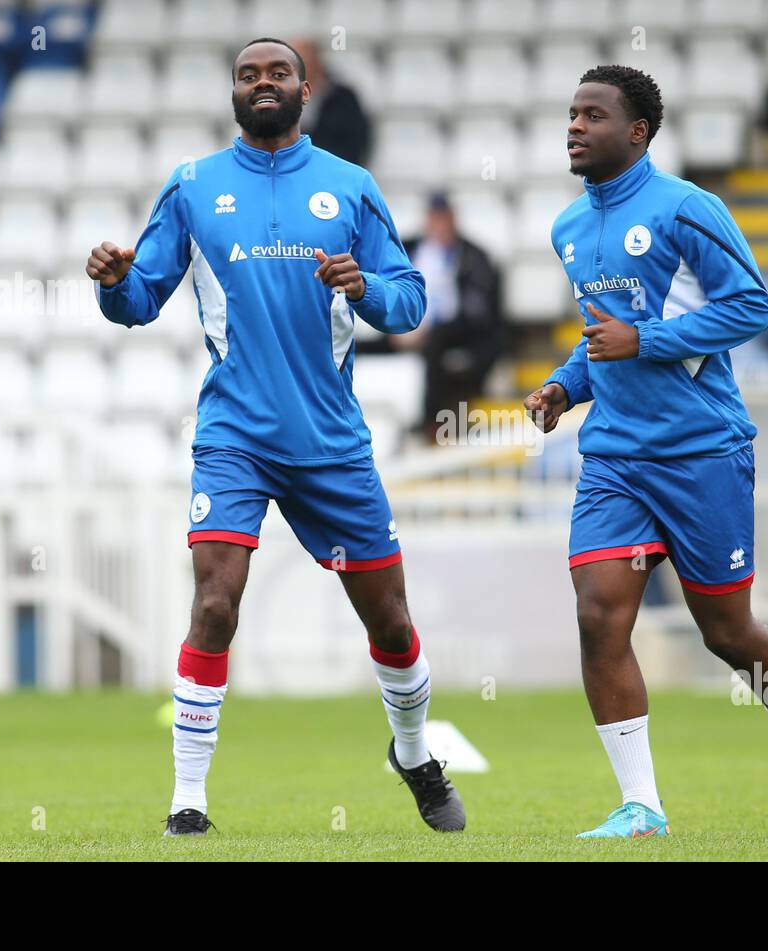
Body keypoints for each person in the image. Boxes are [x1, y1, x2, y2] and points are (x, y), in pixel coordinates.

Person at [87, 37, 464, 837]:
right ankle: (189, 800)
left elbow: (408, 303)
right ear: (234, 91)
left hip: (331, 438)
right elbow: (142, 298)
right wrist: (117, 280)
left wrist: (367, 287)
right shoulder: (193, 186)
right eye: (248, 74)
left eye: (278, 73)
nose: (263, 83)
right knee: (215, 600)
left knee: (390, 621)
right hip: (236, 433)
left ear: (303, 88)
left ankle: (414, 752)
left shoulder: (349, 186)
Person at [523, 65, 768, 839]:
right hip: (617, 460)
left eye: (592, 115)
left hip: (702, 452)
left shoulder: (687, 209)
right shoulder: (568, 228)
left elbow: (751, 305)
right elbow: (603, 336)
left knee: (728, 634)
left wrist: (647, 342)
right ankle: (642, 806)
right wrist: (566, 386)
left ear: (636, 132)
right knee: (600, 617)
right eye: (571, 113)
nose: (574, 126)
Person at [395, 194, 503, 438]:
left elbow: (478, 309)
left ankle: (430, 420)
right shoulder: (408, 248)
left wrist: (427, 329)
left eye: (444, 218)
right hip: (408, 325)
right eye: (434, 218)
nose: (439, 225)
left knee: (436, 342)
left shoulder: (473, 255)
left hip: (455, 328)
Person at [295, 38, 372, 167]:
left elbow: (357, 139)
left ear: (317, 61)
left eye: (306, 61)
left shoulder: (343, 97)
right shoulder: (282, 98)